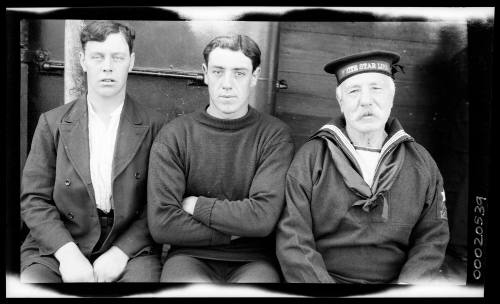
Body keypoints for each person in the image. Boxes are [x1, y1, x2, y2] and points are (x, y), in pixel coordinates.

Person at [275, 50, 450, 284]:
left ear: (391, 97)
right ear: (340, 101)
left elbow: (432, 239)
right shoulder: (312, 158)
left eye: (376, 88)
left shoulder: (422, 162)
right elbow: (294, 239)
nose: (365, 100)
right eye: (354, 91)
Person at [20, 20, 165, 283]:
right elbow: (34, 200)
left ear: (131, 62)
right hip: (59, 241)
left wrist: (121, 252)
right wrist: (67, 255)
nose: (107, 66)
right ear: (83, 61)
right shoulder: (52, 123)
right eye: (98, 57)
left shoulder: (156, 126)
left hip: (129, 244)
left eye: (117, 57)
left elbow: (160, 203)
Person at [147, 34, 294, 283]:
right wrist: (232, 233)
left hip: (254, 259)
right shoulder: (175, 135)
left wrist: (196, 206)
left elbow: (262, 218)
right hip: (189, 256)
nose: (227, 84)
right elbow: (163, 223)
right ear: (205, 73)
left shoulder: (274, 136)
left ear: (255, 76)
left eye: (239, 73)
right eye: (218, 72)